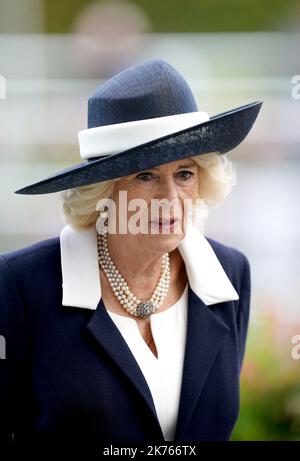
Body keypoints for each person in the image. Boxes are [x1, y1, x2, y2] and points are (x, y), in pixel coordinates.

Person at [0, 58, 262, 454]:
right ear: (102, 191)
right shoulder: (20, 285)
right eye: (145, 176)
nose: (170, 200)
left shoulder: (228, 275)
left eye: (184, 173)